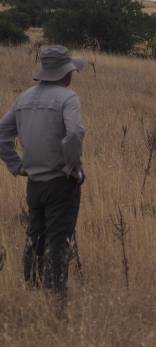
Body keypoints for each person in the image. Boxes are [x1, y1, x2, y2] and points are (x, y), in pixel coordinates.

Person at [0, 45, 86, 308]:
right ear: (67, 74)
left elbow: (2, 134)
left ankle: (31, 294)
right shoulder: (68, 98)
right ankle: (55, 303)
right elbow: (73, 135)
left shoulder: (23, 98)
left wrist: (17, 166)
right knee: (59, 242)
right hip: (61, 183)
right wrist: (73, 168)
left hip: (34, 183)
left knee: (35, 238)